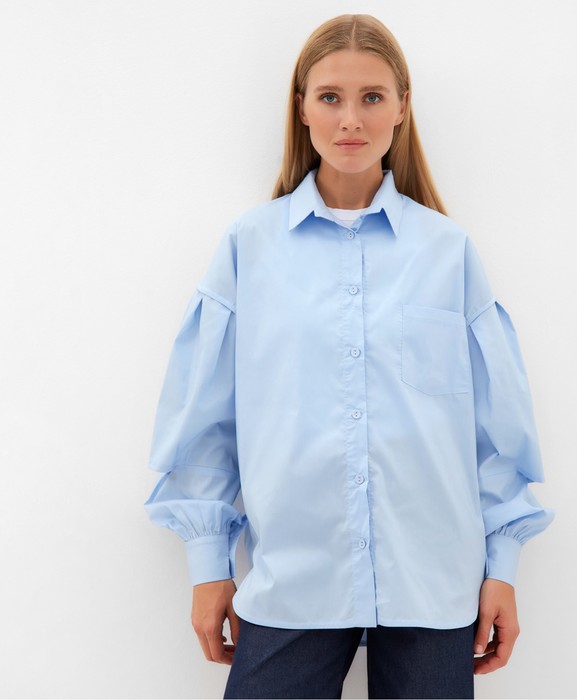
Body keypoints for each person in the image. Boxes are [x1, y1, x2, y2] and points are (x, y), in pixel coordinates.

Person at [144, 13, 554, 700]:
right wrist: (207, 562)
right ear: (302, 107)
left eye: (372, 97)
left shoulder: (447, 251)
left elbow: (493, 428)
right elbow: (205, 417)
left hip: (433, 584)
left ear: (402, 107)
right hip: (293, 581)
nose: (351, 120)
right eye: (331, 97)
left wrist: (502, 565)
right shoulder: (250, 247)